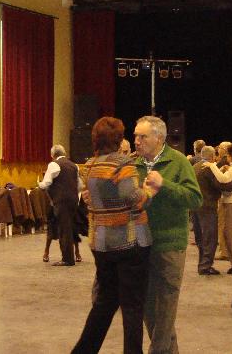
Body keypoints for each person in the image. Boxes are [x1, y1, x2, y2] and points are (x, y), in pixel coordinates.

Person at [72, 117, 157, 354]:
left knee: (104, 303)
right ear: (119, 139)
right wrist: (151, 190)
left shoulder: (90, 165)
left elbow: (92, 198)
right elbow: (133, 198)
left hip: (101, 244)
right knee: (132, 307)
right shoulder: (122, 164)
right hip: (130, 242)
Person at [133, 115, 202, 354]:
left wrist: (165, 185)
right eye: (136, 136)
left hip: (170, 245)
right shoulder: (134, 165)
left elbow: (195, 199)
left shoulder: (179, 161)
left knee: (166, 306)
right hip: (140, 244)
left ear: (159, 138)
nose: (137, 141)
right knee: (148, 306)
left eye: (143, 136)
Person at [206, 143, 232, 275]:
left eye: (228, 155)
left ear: (231, 156)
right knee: (231, 234)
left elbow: (223, 179)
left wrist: (212, 166)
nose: (226, 157)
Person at [39, 145, 79, 266]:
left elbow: (46, 183)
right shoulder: (74, 166)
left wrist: (39, 184)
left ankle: (67, 259)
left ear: (52, 155)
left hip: (61, 201)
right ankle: (70, 257)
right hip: (74, 200)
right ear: (64, 153)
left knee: (63, 229)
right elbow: (79, 184)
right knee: (69, 228)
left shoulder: (54, 165)